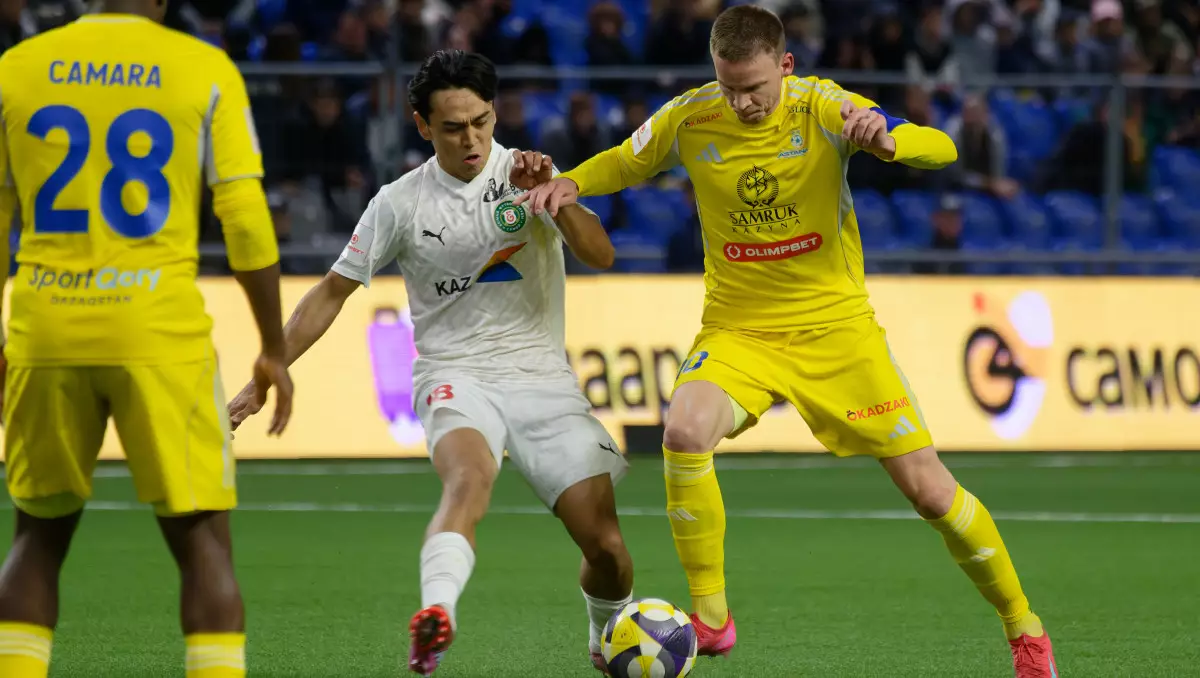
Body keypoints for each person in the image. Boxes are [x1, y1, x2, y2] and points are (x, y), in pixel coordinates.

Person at [517, 6, 1058, 677]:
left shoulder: (823, 107)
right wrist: (571, 182)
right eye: (730, 88)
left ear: (786, 66)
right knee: (683, 430)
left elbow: (942, 148)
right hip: (739, 329)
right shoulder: (690, 116)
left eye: (755, 88)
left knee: (930, 492)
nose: (742, 103)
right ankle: (711, 618)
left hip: (837, 330)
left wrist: (889, 139)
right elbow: (626, 161)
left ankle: (1024, 627)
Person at [225, 50, 634, 677]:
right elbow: (331, 292)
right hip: (453, 373)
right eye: (452, 127)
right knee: (468, 480)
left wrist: (557, 198)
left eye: (481, 121)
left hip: (541, 379)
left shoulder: (530, 173)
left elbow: (601, 256)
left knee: (605, 546)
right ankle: (437, 615)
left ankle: (609, 634)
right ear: (422, 125)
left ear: (493, 112)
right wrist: (269, 367)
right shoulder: (400, 202)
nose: (471, 139)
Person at [0, 2, 295, 677]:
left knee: (36, 537)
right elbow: (245, 218)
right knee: (203, 542)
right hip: (159, 331)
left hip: (47, 326)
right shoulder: (204, 68)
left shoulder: (16, 68)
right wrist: (272, 347)